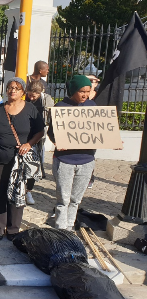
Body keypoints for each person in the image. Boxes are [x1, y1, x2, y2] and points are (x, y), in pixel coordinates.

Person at [0, 77, 44, 241]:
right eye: (10, 87)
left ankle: (13, 229)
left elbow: (40, 131)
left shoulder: (30, 109)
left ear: (23, 92)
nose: (12, 90)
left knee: (17, 192)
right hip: (0, 157)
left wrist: (29, 144)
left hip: (19, 160)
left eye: (17, 88)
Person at [47, 75, 97, 231]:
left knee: (76, 199)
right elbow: (51, 132)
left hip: (87, 160)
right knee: (63, 199)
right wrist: (57, 142)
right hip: (65, 160)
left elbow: (99, 130)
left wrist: (112, 141)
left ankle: (70, 226)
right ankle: (61, 229)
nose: (85, 95)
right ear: (74, 90)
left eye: (87, 91)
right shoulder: (60, 107)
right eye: (82, 91)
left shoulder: (92, 106)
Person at [24, 79, 55, 205]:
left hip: (38, 135)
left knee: (34, 164)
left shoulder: (46, 100)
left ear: (40, 92)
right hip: (24, 134)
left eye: (34, 96)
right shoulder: (24, 99)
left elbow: (52, 117)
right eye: (30, 95)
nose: (31, 98)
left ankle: (28, 190)